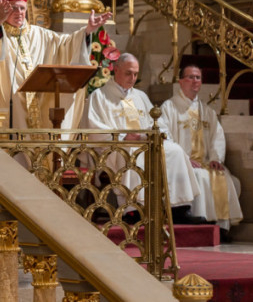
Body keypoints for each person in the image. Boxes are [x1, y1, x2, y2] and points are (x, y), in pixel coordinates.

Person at [0, 0, 112, 129]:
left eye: (22, 8)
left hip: (40, 103)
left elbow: (66, 45)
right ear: (3, 9)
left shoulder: (40, 35)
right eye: (13, 8)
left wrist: (88, 30)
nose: (19, 13)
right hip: (11, 106)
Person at [86, 53, 203, 223]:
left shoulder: (140, 96)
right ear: (116, 70)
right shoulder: (99, 96)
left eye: (135, 74)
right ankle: (134, 210)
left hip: (145, 142)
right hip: (117, 147)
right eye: (128, 73)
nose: (133, 78)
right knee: (134, 153)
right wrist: (124, 137)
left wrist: (155, 134)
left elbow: (158, 123)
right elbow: (93, 128)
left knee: (175, 151)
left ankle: (178, 208)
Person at [160, 63, 242, 231]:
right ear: (181, 81)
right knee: (199, 176)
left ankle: (221, 228)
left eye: (198, 78)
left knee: (223, 176)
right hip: (181, 164)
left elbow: (217, 136)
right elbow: (164, 137)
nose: (195, 81)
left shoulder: (207, 111)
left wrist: (216, 158)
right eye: (190, 77)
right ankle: (201, 227)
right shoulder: (168, 107)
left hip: (204, 162)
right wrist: (184, 160)